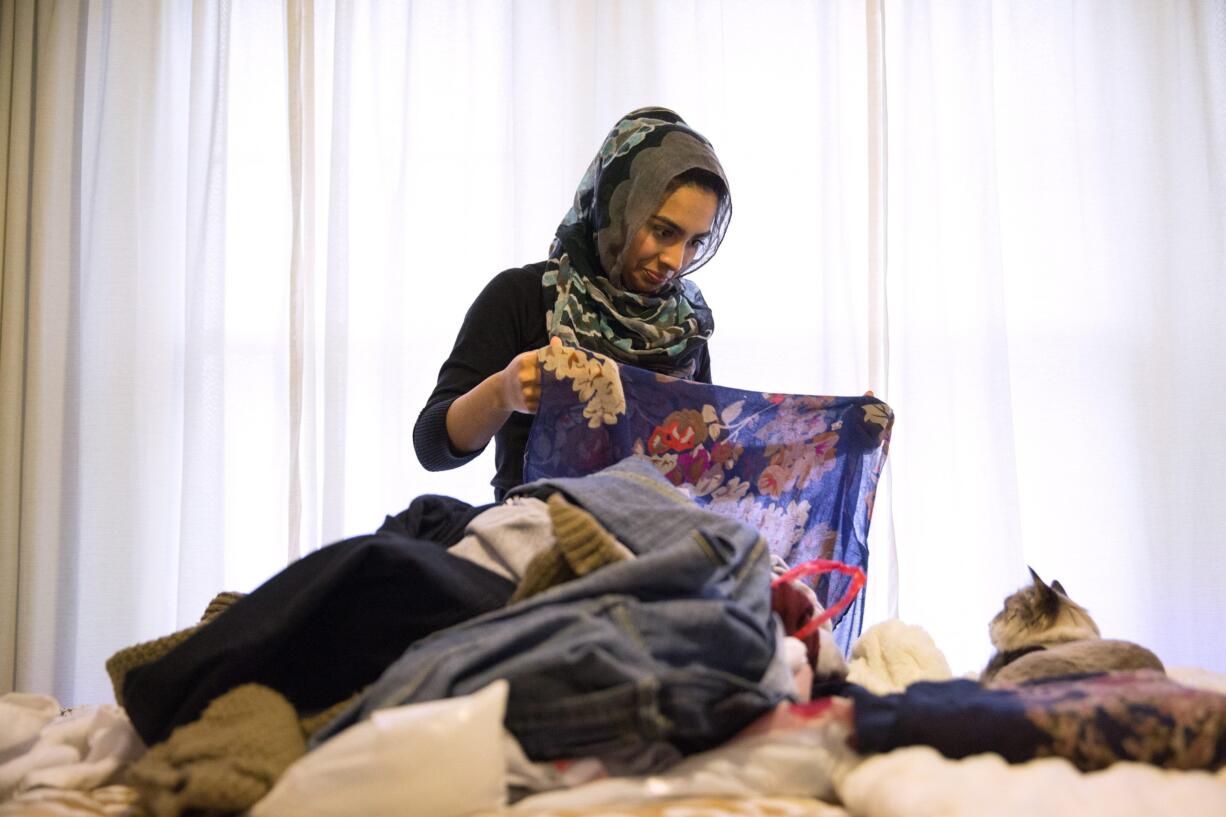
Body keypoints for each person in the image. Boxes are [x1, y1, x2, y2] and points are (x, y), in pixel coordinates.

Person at [413, 107, 732, 499]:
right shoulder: (522, 296)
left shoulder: (683, 326)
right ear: (618, 207)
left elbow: (706, 466)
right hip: (536, 545)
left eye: (695, 241)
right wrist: (503, 392)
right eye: (664, 231)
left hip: (659, 550)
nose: (676, 260)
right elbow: (432, 447)